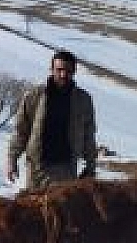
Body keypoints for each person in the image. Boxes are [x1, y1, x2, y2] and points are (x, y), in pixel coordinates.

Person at [6, 49, 98, 190]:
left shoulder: (83, 100)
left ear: (74, 71)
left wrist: (91, 167)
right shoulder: (34, 96)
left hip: (66, 168)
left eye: (68, 71)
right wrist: (12, 159)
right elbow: (21, 131)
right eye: (59, 69)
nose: (63, 74)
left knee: (63, 210)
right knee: (34, 209)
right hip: (37, 168)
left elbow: (88, 135)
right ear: (51, 69)